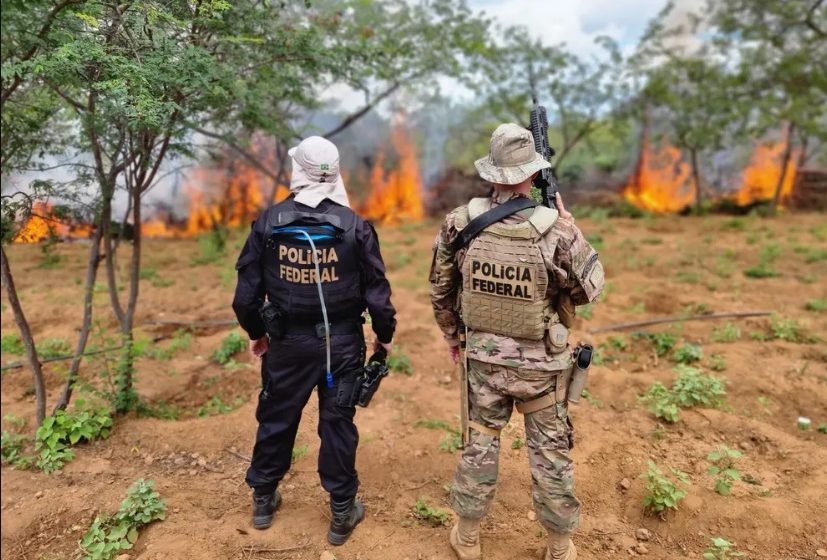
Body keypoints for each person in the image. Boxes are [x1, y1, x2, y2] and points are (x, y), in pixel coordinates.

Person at [429, 123, 604, 560]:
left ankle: (467, 535)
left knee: (480, 441)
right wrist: (571, 228)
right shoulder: (556, 231)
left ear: (491, 174)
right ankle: (560, 545)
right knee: (551, 452)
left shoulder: (459, 223)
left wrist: (454, 338)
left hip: (483, 361)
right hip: (542, 367)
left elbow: (441, 290)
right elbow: (590, 290)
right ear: (533, 174)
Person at [232, 136, 396, 545]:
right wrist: (384, 337)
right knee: (337, 424)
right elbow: (378, 293)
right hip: (340, 348)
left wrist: (257, 334)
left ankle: (263, 501)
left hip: (285, 346)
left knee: (276, 417)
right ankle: (342, 513)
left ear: (298, 171)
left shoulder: (268, 223)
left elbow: (245, 297)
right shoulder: (355, 227)